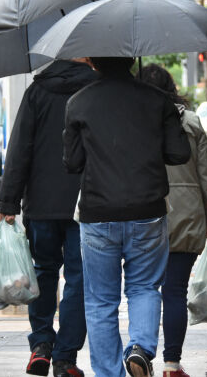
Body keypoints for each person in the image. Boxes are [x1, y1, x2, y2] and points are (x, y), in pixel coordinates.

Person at [63, 57, 191, 377]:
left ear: (93, 61)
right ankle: (140, 348)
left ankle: (109, 373)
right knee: (145, 287)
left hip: (98, 214)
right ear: (132, 58)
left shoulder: (79, 102)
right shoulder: (157, 100)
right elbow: (179, 153)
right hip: (147, 211)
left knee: (100, 300)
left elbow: (73, 162)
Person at [0, 58, 98, 377]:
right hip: (86, 203)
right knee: (79, 279)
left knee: (43, 271)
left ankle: (41, 346)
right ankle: (66, 357)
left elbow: (19, 148)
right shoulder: (95, 90)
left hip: (40, 203)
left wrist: (8, 200)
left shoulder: (37, 91)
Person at [138, 64, 207, 377]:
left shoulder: (131, 122)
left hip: (143, 213)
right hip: (186, 215)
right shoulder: (190, 123)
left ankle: (140, 352)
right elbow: (206, 177)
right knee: (174, 291)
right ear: (173, 89)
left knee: (144, 289)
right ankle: (172, 365)